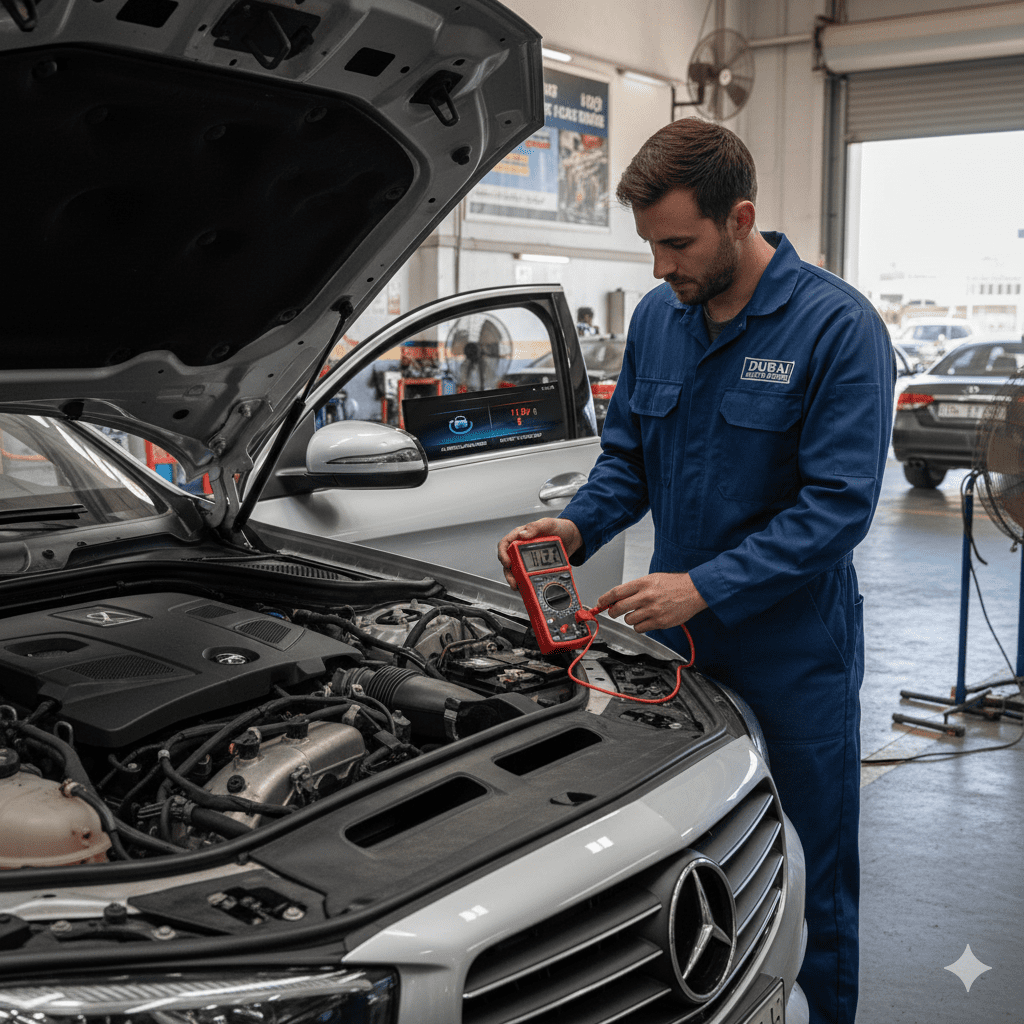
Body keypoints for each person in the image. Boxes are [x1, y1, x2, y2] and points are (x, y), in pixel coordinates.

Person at [497, 118, 893, 1024]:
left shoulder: (837, 327)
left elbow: (836, 510)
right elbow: (627, 466)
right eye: (650, 245)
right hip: (669, 648)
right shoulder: (658, 322)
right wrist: (574, 525)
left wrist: (704, 585)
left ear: (740, 217)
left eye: (677, 243)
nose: (659, 267)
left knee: (808, 870)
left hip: (795, 657)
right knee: (679, 863)